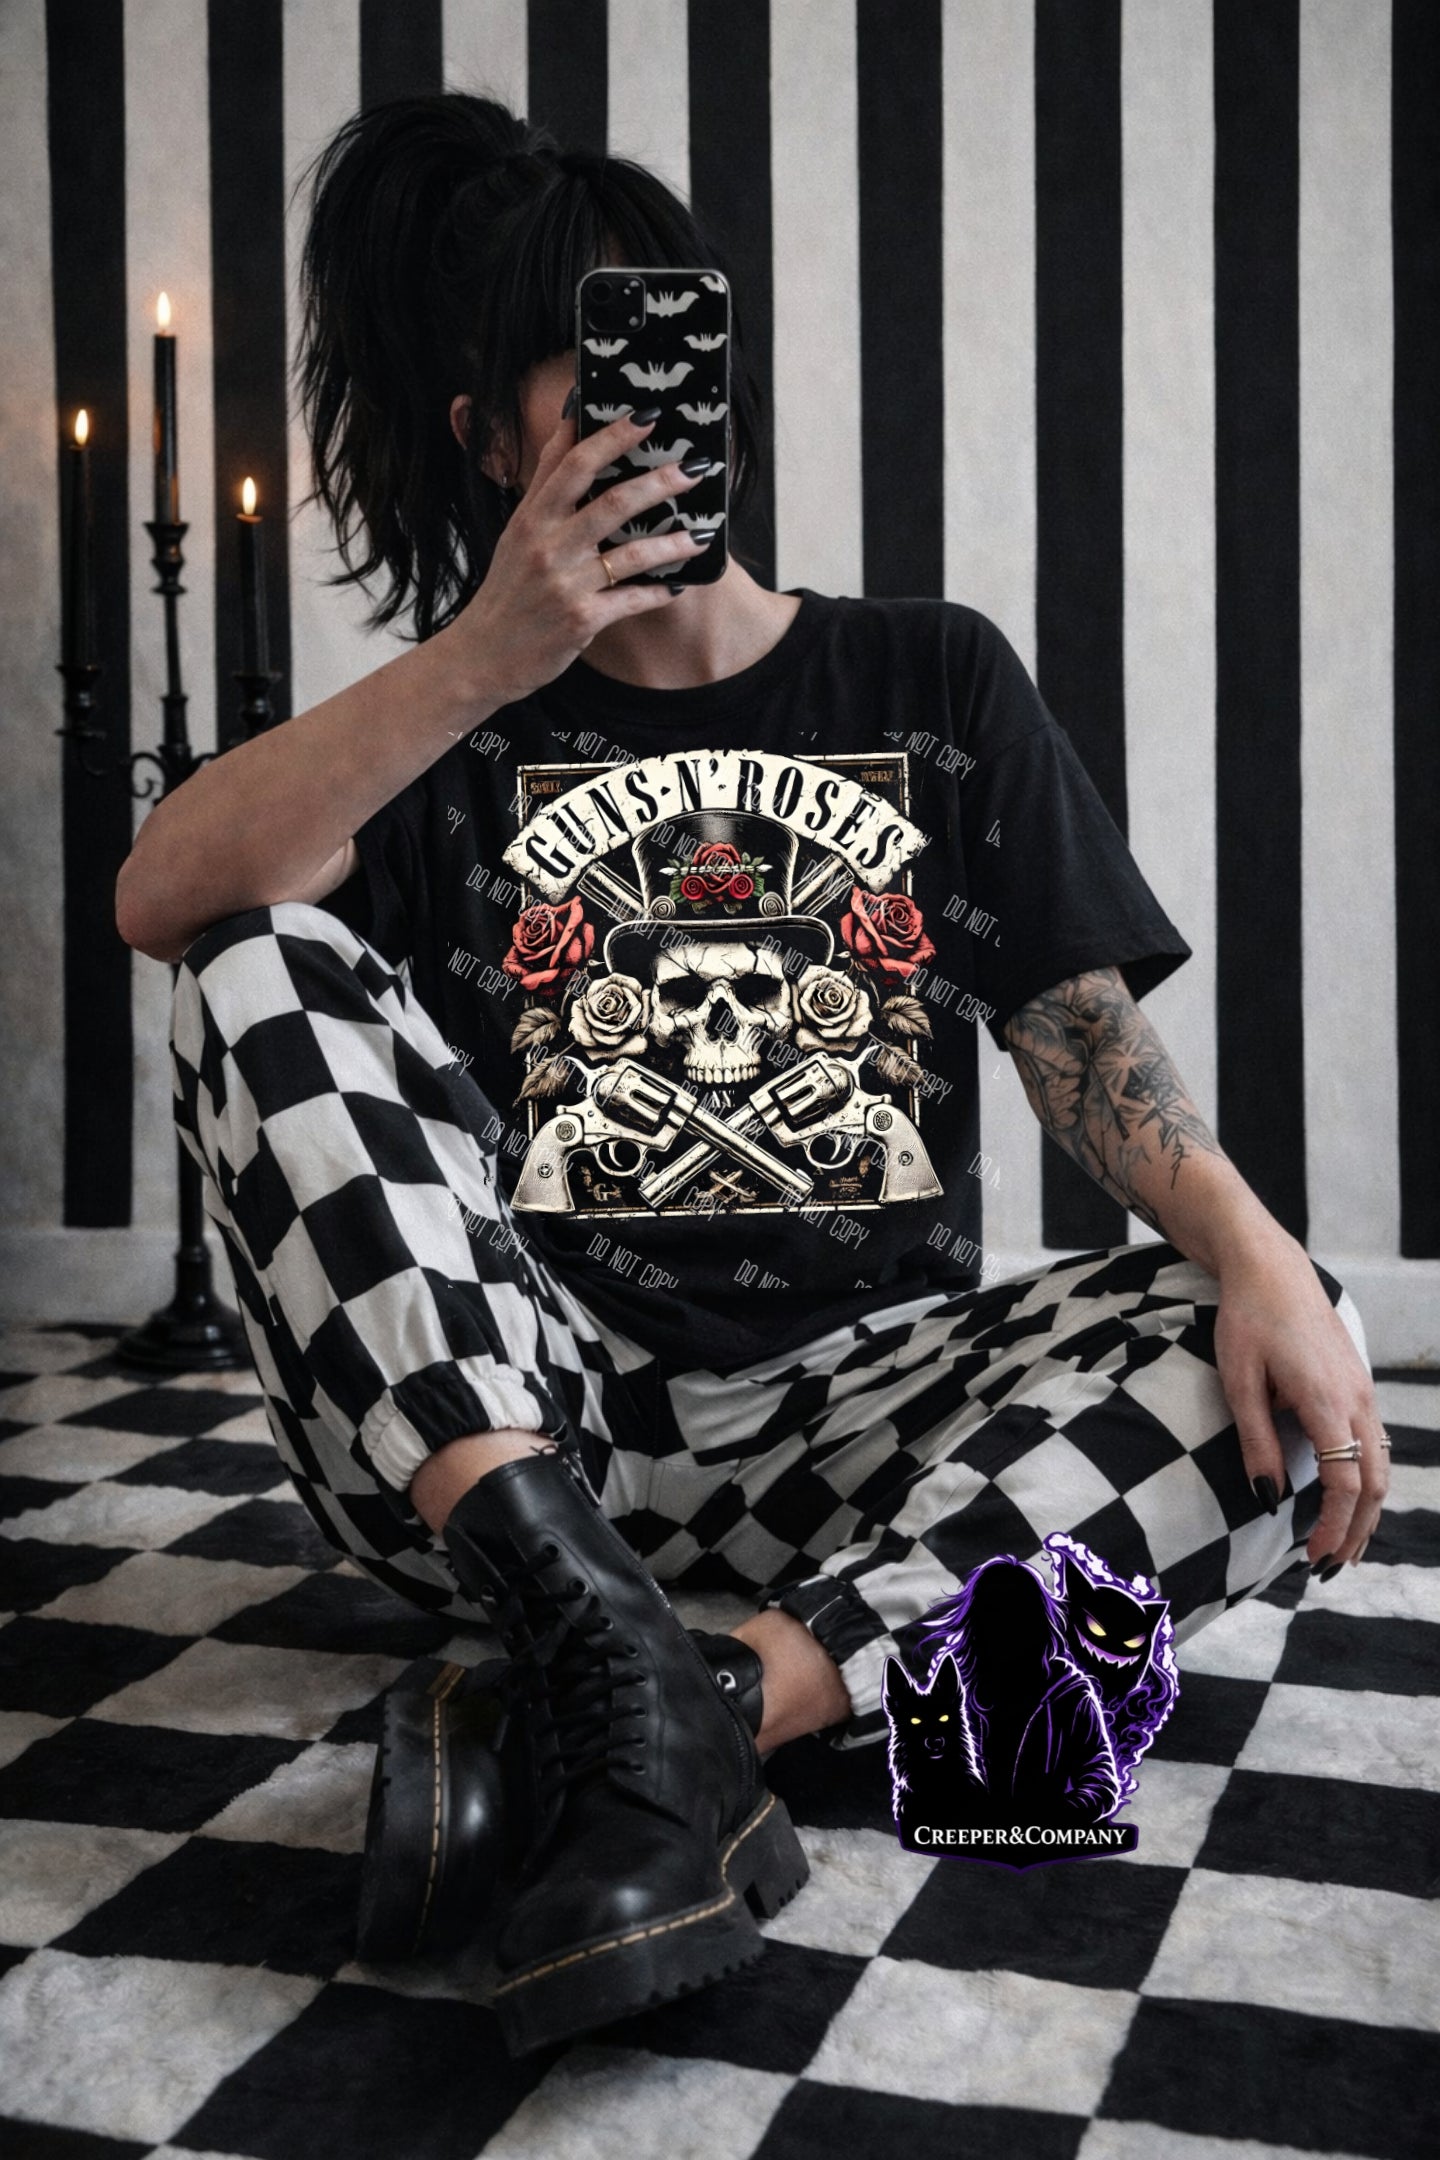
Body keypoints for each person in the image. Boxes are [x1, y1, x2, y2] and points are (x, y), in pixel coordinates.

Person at [115, 92, 1388, 2054]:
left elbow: (1082, 1049)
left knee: (1283, 1345)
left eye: (675, 348)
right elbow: (161, 896)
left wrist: (1260, 1254)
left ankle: (686, 1710)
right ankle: (628, 1635)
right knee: (254, 950)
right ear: (491, 443)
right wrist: (488, 653)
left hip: (864, 1423)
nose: (653, 416)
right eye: (591, 375)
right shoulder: (434, 738)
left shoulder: (926, 675)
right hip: (528, 1442)